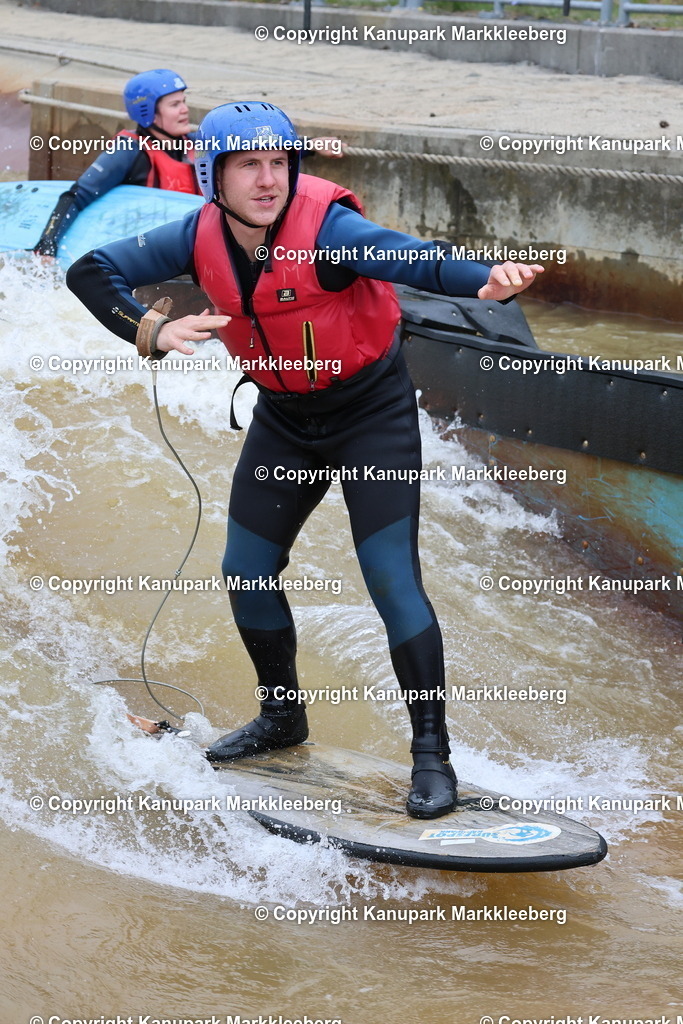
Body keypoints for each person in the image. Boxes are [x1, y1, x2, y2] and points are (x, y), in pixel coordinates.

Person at [66, 101, 542, 819]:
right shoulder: (197, 234)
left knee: (391, 580)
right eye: (248, 166)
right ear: (211, 176)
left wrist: (483, 278)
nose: (269, 180)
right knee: (246, 570)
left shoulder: (327, 229)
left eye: (279, 163)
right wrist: (149, 330)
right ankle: (282, 717)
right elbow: (90, 269)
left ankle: (432, 757)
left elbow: (414, 256)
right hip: (286, 420)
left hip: (370, 417)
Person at [34, 69, 199, 258]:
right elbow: (76, 196)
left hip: (186, 241)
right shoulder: (127, 151)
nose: (185, 109)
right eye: (175, 105)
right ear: (149, 113)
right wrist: (48, 243)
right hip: (148, 248)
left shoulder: (200, 146)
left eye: (183, 102)